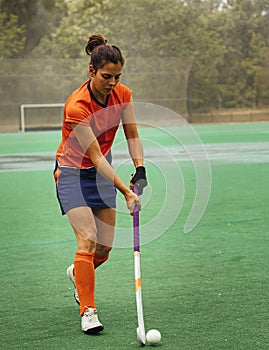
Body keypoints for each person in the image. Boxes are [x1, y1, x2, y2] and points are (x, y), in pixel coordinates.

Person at [54, 33, 147, 334]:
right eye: (107, 76)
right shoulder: (76, 106)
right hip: (72, 173)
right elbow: (95, 157)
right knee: (88, 240)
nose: (113, 82)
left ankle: (79, 273)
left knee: (103, 250)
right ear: (92, 71)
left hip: (100, 175)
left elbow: (132, 135)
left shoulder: (124, 95)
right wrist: (125, 190)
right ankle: (88, 311)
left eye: (118, 76)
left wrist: (140, 168)